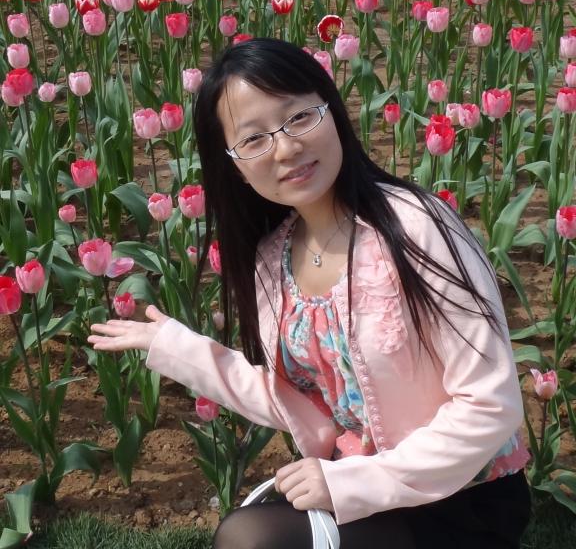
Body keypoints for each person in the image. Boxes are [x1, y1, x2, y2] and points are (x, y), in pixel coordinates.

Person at [89, 38, 531, 549]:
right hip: (360, 486)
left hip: (462, 493)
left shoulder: (416, 230)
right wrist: (175, 347)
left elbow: (491, 405)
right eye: (254, 139)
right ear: (233, 165)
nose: (286, 149)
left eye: (299, 118)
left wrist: (352, 482)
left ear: (332, 109)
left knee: (251, 539)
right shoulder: (272, 258)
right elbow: (299, 401)